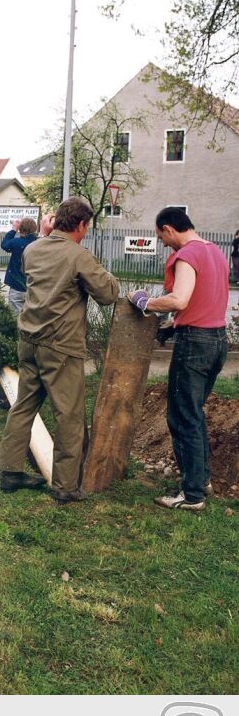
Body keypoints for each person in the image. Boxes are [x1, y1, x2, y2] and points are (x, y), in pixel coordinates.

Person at [0, 198, 119, 503]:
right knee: (69, 416)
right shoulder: (79, 256)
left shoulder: (32, 249)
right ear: (81, 225)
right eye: (86, 226)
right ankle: (65, 486)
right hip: (61, 346)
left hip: (29, 339)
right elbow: (107, 294)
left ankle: (10, 472)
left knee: (24, 406)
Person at [128, 207, 229, 512]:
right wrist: (176, 323)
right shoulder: (215, 252)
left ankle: (191, 495)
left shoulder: (187, 255)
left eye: (161, 237)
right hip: (217, 340)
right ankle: (201, 480)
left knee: (181, 416)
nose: (162, 243)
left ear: (169, 229)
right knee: (193, 413)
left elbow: (180, 299)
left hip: (195, 345)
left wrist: (145, 302)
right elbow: (203, 301)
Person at [1, 217, 38, 315]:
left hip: (16, 286)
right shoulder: (38, 243)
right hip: (32, 287)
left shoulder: (16, 242)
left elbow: (4, 245)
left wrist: (13, 229)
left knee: (15, 316)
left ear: (21, 229)